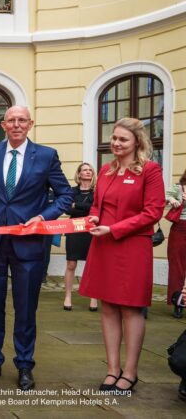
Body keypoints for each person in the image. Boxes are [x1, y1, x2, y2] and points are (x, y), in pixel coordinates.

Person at [0, 105, 73, 390]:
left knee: (26, 307)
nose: (16, 125)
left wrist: (43, 217)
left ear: (30, 124)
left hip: (29, 244)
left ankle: (25, 364)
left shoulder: (46, 155)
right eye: (11, 120)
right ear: (3, 125)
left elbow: (65, 195)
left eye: (22, 120)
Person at [79, 117, 164, 395]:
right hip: (103, 244)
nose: (116, 143)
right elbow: (96, 205)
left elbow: (152, 212)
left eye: (122, 139)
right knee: (107, 307)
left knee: (130, 307)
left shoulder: (150, 171)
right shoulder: (105, 170)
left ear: (137, 142)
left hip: (131, 246)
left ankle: (130, 372)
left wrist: (113, 228)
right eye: (114, 138)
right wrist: (93, 218)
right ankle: (112, 369)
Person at [63, 163, 98, 311]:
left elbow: (96, 209)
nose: (88, 172)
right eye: (85, 170)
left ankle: (93, 297)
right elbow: (66, 209)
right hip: (74, 230)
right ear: (79, 174)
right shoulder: (71, 191)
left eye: (90, 170)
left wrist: (76, 205)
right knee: (71, 264)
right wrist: (85, 208)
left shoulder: (97, 192)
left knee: (93, 265)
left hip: (91, 231)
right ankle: (68, 296)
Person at [166, 169, 186, 318]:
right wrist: (172, 200)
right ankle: (177, 302)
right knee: (176, 267)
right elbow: (166, 195)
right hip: (180, 228)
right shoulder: (179, 187)